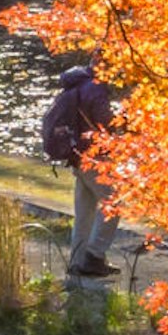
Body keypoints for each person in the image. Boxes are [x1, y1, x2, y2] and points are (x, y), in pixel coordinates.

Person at [42, 58, 123, 277]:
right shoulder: (95, 89)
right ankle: (94, 256)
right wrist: (126, 122)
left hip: (76, 155)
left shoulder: (76, 83)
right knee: (113, 204)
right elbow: (105, 123)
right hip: (93, 157)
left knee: (84, 211)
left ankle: (77, 261)